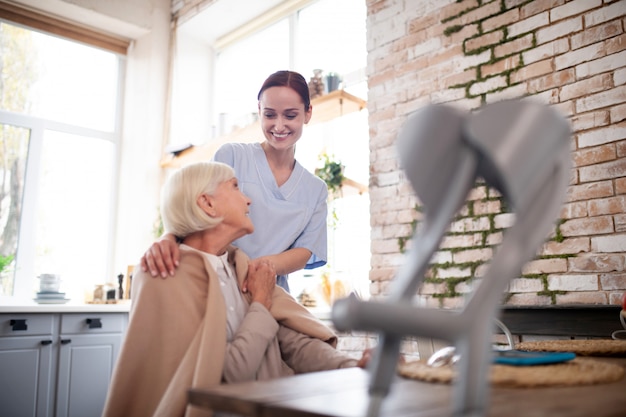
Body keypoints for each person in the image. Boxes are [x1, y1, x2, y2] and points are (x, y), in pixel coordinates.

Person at [102, 161, 369, 417]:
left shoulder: (239, 267)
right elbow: (228, 376)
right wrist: (261, 301)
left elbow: (293, 343)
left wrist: (355, 366)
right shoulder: (165, 277)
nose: (248, 199)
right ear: (207, 203)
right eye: (235, 187)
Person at [141, 70, 327, 292]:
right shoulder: (231, 156)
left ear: (307, 114)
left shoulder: (315, 190)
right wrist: (167, 238)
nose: (278, 126)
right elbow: (192, 206)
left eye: (290, 115)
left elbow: (304, 252)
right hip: (214, 281)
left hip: (267, 290)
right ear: (259, 111)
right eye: (269, 115)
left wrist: (257, 269)